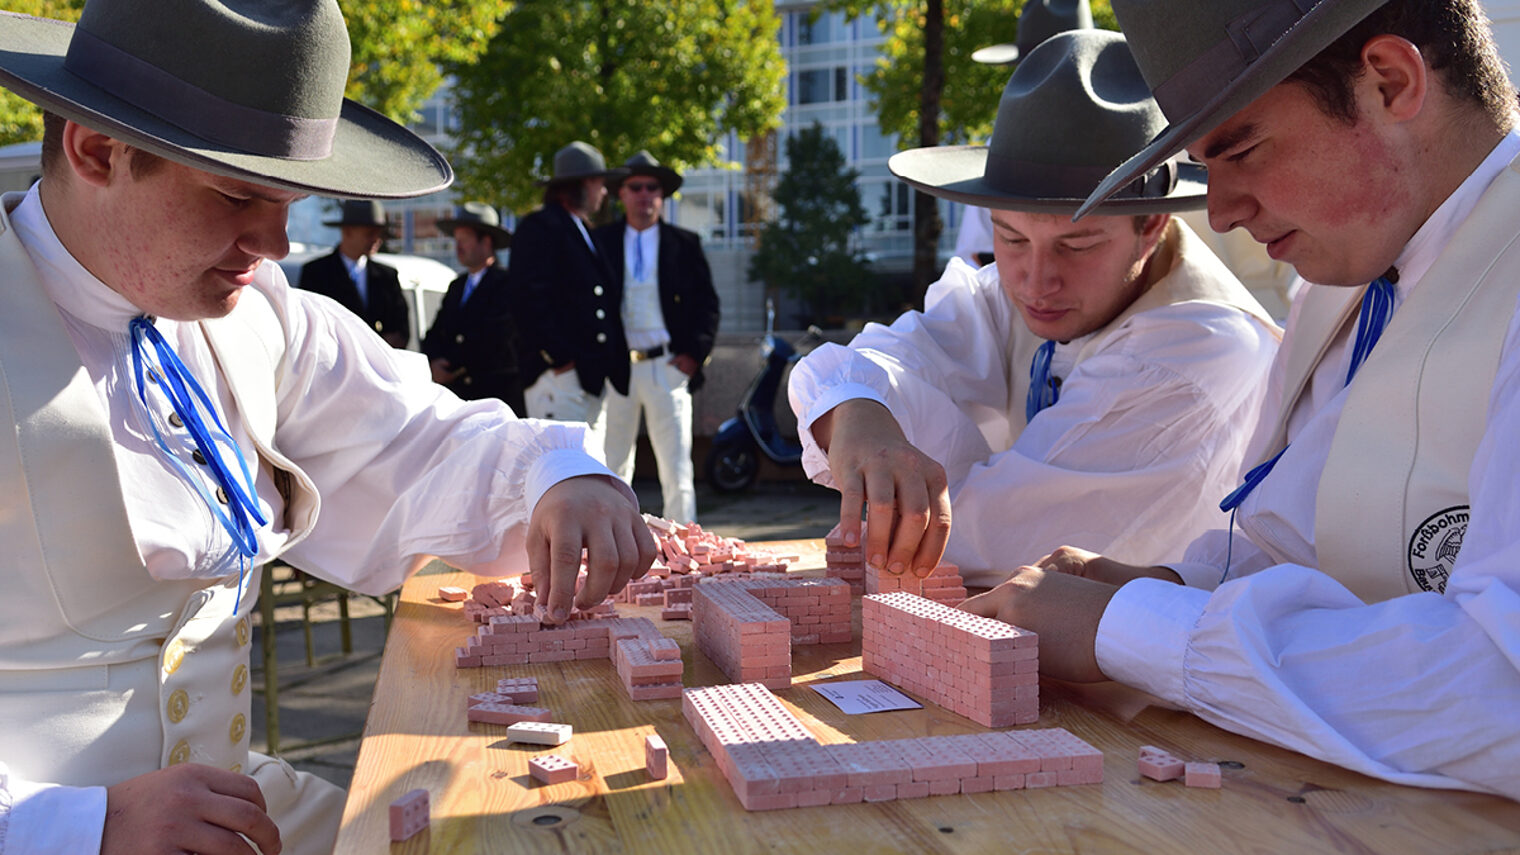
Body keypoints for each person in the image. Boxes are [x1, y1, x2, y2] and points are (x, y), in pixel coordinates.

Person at [0, 3, 655, 854]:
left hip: (237, 811)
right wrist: (73, 825)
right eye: (238, 193)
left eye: (293, 201)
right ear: (96, 150)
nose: (273, 242)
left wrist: (559, 475)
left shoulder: (258, 318)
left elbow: (415, 439)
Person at [965, 0, 1520, 802]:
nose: (1219, 209)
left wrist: (1125, 628)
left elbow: (1500, 689)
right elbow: (1294, 547)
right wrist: (1160, 586)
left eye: (1242, 149)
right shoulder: (1345, 283)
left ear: (1391, 82)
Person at [788, 29, 1280, 587]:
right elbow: (890, 355)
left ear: (1152, 227)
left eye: (1078, 245)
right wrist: (859, 412)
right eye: (1011, 238)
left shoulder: (1196, 354)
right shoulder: (1011, 290)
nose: (1035, 280)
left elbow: (989, 539)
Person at [592, 152, 721, 523]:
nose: (645, 195)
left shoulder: (684, 243)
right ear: (621, 194)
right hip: (617, 368)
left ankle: (686, 549)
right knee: (611, 464)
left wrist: (692, 356)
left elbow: (707, 305)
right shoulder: (601, 242)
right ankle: (612, 541)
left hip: (667, 365)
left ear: (661, 196)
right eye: (636, 187)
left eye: (653, 188)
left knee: (677, 467)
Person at [512, 141, 628, 444]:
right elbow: (528, 299)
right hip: (559, 378)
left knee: (586, 472)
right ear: (585, 183)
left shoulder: (581, 229)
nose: (604, 193)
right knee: (563, 476)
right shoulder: (541, 226)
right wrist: (559, 359)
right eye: (600, 184)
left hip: (586, 379)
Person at [422, 201, 526, 414]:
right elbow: (436, 332)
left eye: (465, 240)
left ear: (486, 242)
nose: (458, 247)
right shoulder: (456, 286)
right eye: (457, 240)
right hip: (456, 398)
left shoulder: (507, 283)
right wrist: (433, 362)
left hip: (494, 397)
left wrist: (452, 366)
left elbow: (497, 338)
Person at [297, 198, 410, 347]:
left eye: (379, 233)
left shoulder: (387, 276)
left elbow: (401, 329)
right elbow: (308, 328)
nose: (376, 239)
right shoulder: (317, 273)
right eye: (369, 233)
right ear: (348, 231)